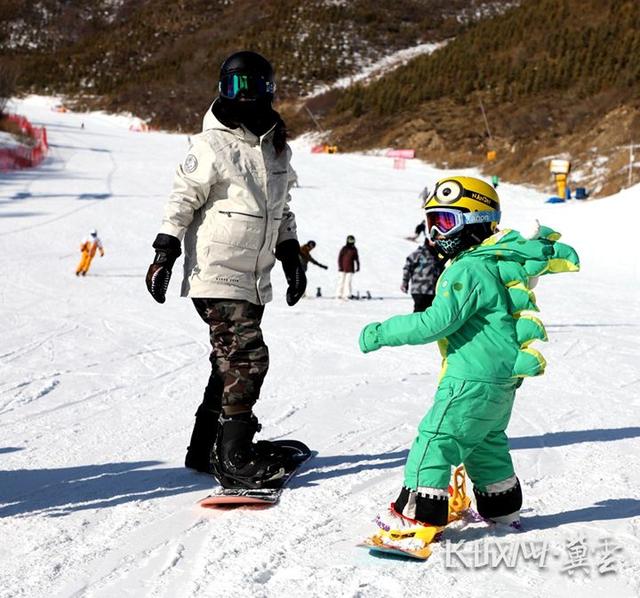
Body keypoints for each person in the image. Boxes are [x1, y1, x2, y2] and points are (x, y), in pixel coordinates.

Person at [359, 176, 579, 536]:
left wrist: (380, 333)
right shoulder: (492, 263)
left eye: (445, 221)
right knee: (484, 444)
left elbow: (436, 322)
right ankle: (502, 509)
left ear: (475, 223)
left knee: (435, 439)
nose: (435, 233)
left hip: (469, 379)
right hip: (501, 381)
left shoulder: (466, 268)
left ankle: (417, 515)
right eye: (432, 222)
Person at [145, 50, 307, 489]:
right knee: (248, 358)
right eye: (233, 86)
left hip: (253, 274)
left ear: (268, 90)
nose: (242, 96)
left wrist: (291, 253)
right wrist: (165, 250)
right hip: (216, 269)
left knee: (228, 362)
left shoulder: (276, 144)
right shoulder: (210, 144)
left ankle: (206, 448)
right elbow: (182, 199)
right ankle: (234, 455)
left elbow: (281, 207)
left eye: (250, 86)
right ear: (221, 87)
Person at [401, 238, 444, 312]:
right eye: (432, 240)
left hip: (433, 290)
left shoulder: (438, 255)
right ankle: (415, 323)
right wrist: (405, 282)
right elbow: (407, 267)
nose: (435, 242)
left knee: (430, 313)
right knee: (419, 312)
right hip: (420, 289)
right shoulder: (419, 253)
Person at [336, 235, 359, 299]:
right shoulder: (344, 248)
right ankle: (339, 294)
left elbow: (356, 258)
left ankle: (347, 294)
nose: (351, 242)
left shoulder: (354, 249)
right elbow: (340, 258)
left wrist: (358, 266)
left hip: (350, 268)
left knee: (348, 282)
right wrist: (340, 266)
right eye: (350, 240)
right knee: (341, 281)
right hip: (342, 268)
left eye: (352, 240)